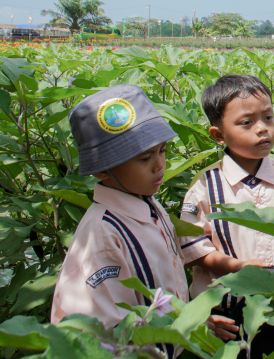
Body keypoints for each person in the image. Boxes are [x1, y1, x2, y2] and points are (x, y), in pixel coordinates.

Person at [179, 74, 274, 353]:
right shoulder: (205, 188)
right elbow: (193, 247)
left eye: (268, 118)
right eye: (247, 122)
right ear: (218, 135)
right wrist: (236, 268)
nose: (262, 129)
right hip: (228, 311)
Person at [51, 85, 188, 357]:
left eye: (162, 150)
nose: (159, 165)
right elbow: (98, 333)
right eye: (145, 158)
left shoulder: (149, 203)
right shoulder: (102, 236)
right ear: (102, 170)